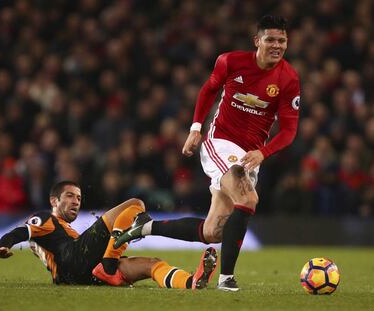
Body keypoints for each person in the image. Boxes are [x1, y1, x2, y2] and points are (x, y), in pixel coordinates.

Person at [114, 15, 300, 291]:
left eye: (282, 40)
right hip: (221, 142)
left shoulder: (288, 79)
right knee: (248, 198)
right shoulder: (231, 61)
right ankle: (227, 279)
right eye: (271, 39)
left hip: (250, 155)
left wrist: (263, 153)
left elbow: (288, 131)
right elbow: (209, 90)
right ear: (257, 41)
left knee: (213, 231)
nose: (277, 45)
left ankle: (145, 226)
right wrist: (195, 128)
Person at [0, 180, 217, 289]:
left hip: (81, 275)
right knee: (136, 203)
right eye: (69, 196)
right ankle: (109, 264)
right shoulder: (46, 218)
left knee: (152, 264)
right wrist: (4, 245)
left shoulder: (61, 229)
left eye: (79, 198)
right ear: (54, 201)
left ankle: (191, 282)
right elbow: (21, 232)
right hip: (74, 259)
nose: (75, 202)